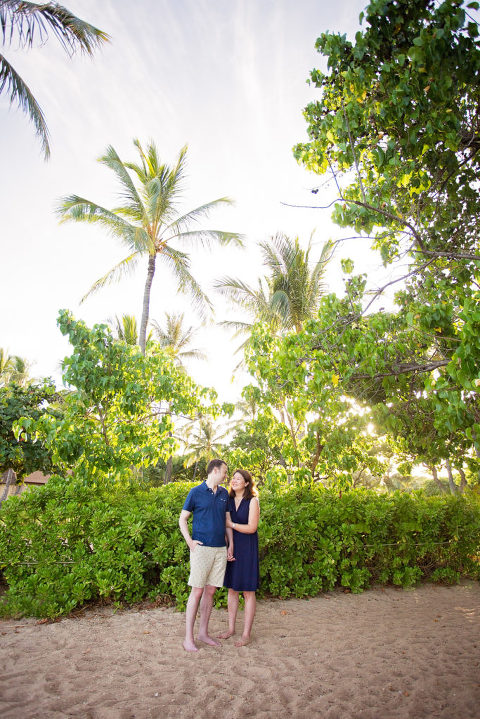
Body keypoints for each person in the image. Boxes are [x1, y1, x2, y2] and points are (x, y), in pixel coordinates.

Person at [178, 458, 234, 652]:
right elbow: (183, 519)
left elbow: (227, 521)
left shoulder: (224, 494)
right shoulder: (195, 492)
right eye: (225, 472)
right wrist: (190, 541)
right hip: (201, 549)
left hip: (220, 549)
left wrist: (230, 545)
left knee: (210, 591)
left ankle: (203, 633)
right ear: (215, 470)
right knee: (197, 591)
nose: (226, 476)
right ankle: (188, 638)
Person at [218, 468, 260, 647]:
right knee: (232, 589)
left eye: (238, 478)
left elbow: (251, 528)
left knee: (248, 591)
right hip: (233, 546)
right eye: (233, 478)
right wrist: (230, 546)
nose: (234, 481)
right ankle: (231, 629)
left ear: (247, 483)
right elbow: (226, 527)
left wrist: (232, 524)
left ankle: (246, 634)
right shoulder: (227, 500)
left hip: (248, 548)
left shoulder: (253, 501)